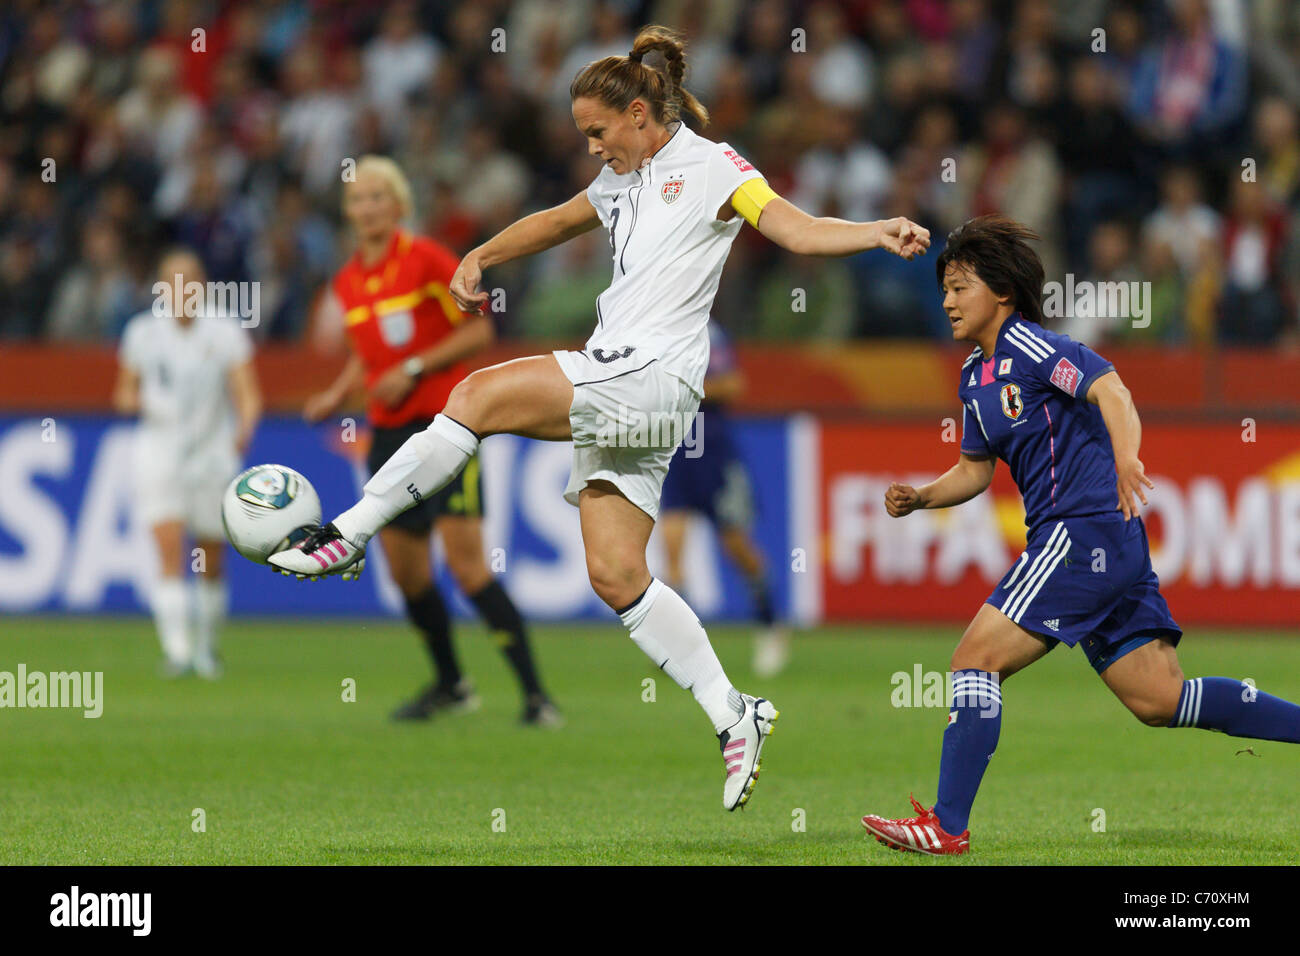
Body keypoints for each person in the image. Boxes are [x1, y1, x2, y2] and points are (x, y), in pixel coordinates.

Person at [270, 24, 929, 811]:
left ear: (640, 113)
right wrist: (482, 255)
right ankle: (733, 711)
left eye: (597, 131)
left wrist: (875, 230)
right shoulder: (619, 179)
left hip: (648, 375)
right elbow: (555, 220)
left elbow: (796, 227)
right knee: (616, 574)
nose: (591, 147)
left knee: (473, 396)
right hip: (642, 400)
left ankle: (346, 533)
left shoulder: (715, 167)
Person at [860, 216, 1300, 855]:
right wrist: (922, 497)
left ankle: (947, 826)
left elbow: (1112, 391)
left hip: (1080, 532)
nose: (948, 302)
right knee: (1159, 698)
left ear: (1001, 292)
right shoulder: (976, 378)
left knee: (974, 660)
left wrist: (1126, 459)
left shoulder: (1032, 348)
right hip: (1106, 544)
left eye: (959, 287)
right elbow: (975, 470)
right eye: (944, 290)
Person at [304, 156, 558, 726]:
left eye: (378, 196)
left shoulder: (426, 259)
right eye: (358, 199)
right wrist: (337, 394)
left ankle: (536, 696)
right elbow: (367, 355)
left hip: (446, 429)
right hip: (387, 433)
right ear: (348, 212)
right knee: (407, 574)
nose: (368, 207)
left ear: (399, 205)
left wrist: (415, 367)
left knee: (468, 569)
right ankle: (451, 684)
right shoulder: (347, 281)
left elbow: (479, 329)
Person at [113, 248, 261, 678]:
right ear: (161, 288)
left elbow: (247, 392)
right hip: (159, 453)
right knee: (168, 547)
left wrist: (245, 427)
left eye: (190, 281)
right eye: (173, 282)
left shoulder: (225, 331)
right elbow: (123, 393)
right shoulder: (142, 332)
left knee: (211, 555)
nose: (182, 291)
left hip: (212, 454)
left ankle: (206, 649)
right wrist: (144, 404)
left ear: (203, 286)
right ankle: (177, 651)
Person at [658, 319, 788, 677]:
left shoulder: (707, 333)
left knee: (738, 548)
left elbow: (733, 384)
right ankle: (680, 649)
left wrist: (684, 387)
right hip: (676, 455)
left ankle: (770, 625)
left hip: (714, 456)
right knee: (672, 548)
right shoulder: (656, 326)